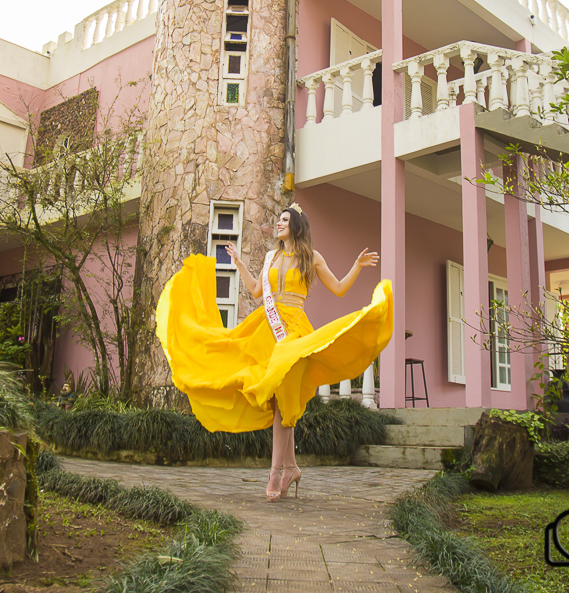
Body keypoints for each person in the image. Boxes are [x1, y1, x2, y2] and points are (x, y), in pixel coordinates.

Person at [156, 204, 393, 502]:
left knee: (284, 400)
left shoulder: (311, 258)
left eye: (284, 220)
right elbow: (257, 291)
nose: (279, 224)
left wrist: (356, 266)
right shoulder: (272, 257)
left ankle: (274, 472)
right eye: (278, 220)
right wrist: (240, 262)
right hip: (266, 331)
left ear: (297, 226)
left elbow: (339, 288)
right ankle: (291, 467)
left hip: (294, 334)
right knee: (281, 401)